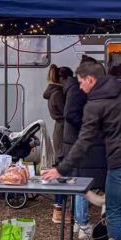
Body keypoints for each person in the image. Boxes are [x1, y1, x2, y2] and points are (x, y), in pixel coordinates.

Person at [43, 60, 121, 240]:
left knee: (113, 210)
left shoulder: (94, 105)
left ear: (90, 79)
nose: (79, 87)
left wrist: (61, 169)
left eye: (80, 82)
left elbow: (84, 141)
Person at [60, 59, 101, 239]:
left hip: (75, 140)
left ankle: (79, 222)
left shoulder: (74, 88)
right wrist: (89, 125)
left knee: (79, 182)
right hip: (77, 141)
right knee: (82, 182)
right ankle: (82, 223)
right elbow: (70, 114)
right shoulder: (77, 89)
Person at [44, 65, 70, 224]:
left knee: (62, 167)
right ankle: (59, 209)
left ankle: (59, 208)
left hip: (60, 130)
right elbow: (67, 113)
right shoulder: (58, 94)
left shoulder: (53, 92)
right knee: (62, 169)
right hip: (63, 131)